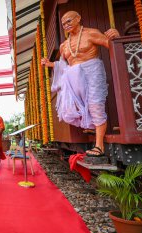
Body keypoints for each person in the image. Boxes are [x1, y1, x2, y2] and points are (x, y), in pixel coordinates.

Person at [41, 10, 119, 157]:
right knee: (75, 106)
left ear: (78, 18)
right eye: (63, 24)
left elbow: (111, 46)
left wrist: (115, 37)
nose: (66, 25)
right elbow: (63, 66)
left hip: (92, 72)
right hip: (74, 78)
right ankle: (91, 127)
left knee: (95, 104)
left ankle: (99, 146)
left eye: (69, 21)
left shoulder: (91, 33)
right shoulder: (64, 45)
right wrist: (50, 64)